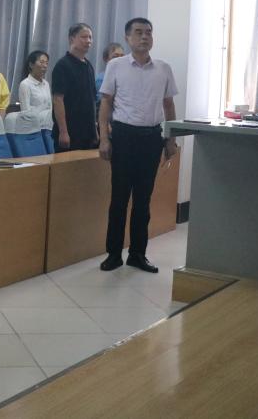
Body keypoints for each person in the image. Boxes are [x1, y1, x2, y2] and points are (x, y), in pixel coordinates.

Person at [98, 17, 178, 274]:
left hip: (151, 138)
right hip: (123, 137)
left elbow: (169, 106)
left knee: (143, 200)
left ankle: (137, 254)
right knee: (119, 199)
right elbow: (106, 104)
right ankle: (113, 254)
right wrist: (104, 138)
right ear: (128, 37)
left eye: (148, 32)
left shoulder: (163, 68)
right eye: (139, 32)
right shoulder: (116, 66)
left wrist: (171, 139)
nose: (145, 37)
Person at [51, 23, 98, 152]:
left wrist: (95, 128)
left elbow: (92, 100)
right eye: (84, 37)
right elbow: (58, 100)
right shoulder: (62, 65)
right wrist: (63, 132)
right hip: (70, 132)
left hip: (88, 132)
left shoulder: (88, 65)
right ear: (72, 39)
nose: (88, 41)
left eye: (90, 37)